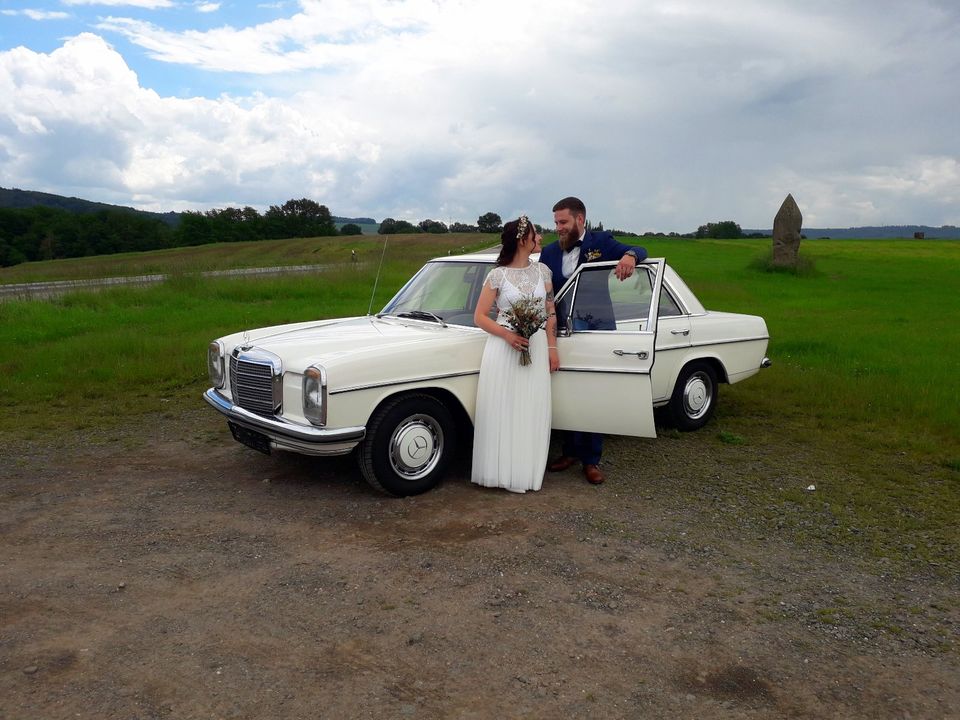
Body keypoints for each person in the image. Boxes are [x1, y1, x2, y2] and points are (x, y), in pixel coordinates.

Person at [537, 196, 648, 485]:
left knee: (594, 392)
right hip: (564, 330)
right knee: (568, 391)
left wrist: (630, 257)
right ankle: (570, 451)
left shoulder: (602, 242)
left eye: (563, 222)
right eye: (555, 223)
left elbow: (639, 248)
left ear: (580, 219)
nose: (558, 228)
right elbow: (543, 291)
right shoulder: (549, 252)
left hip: (597, 327)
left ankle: (592, 460)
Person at [471, 216, 559, 493]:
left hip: (535, 345)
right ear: (523, 240)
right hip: (503, 348)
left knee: (531, 407)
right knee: (504, 408)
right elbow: (480, 316)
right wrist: (507, 334)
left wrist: (552, 347)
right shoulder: (497, 275)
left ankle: (525, 471)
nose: (540, 238)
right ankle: (499, 471)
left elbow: (550, 311)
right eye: (536, 234)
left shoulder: (543, 271)